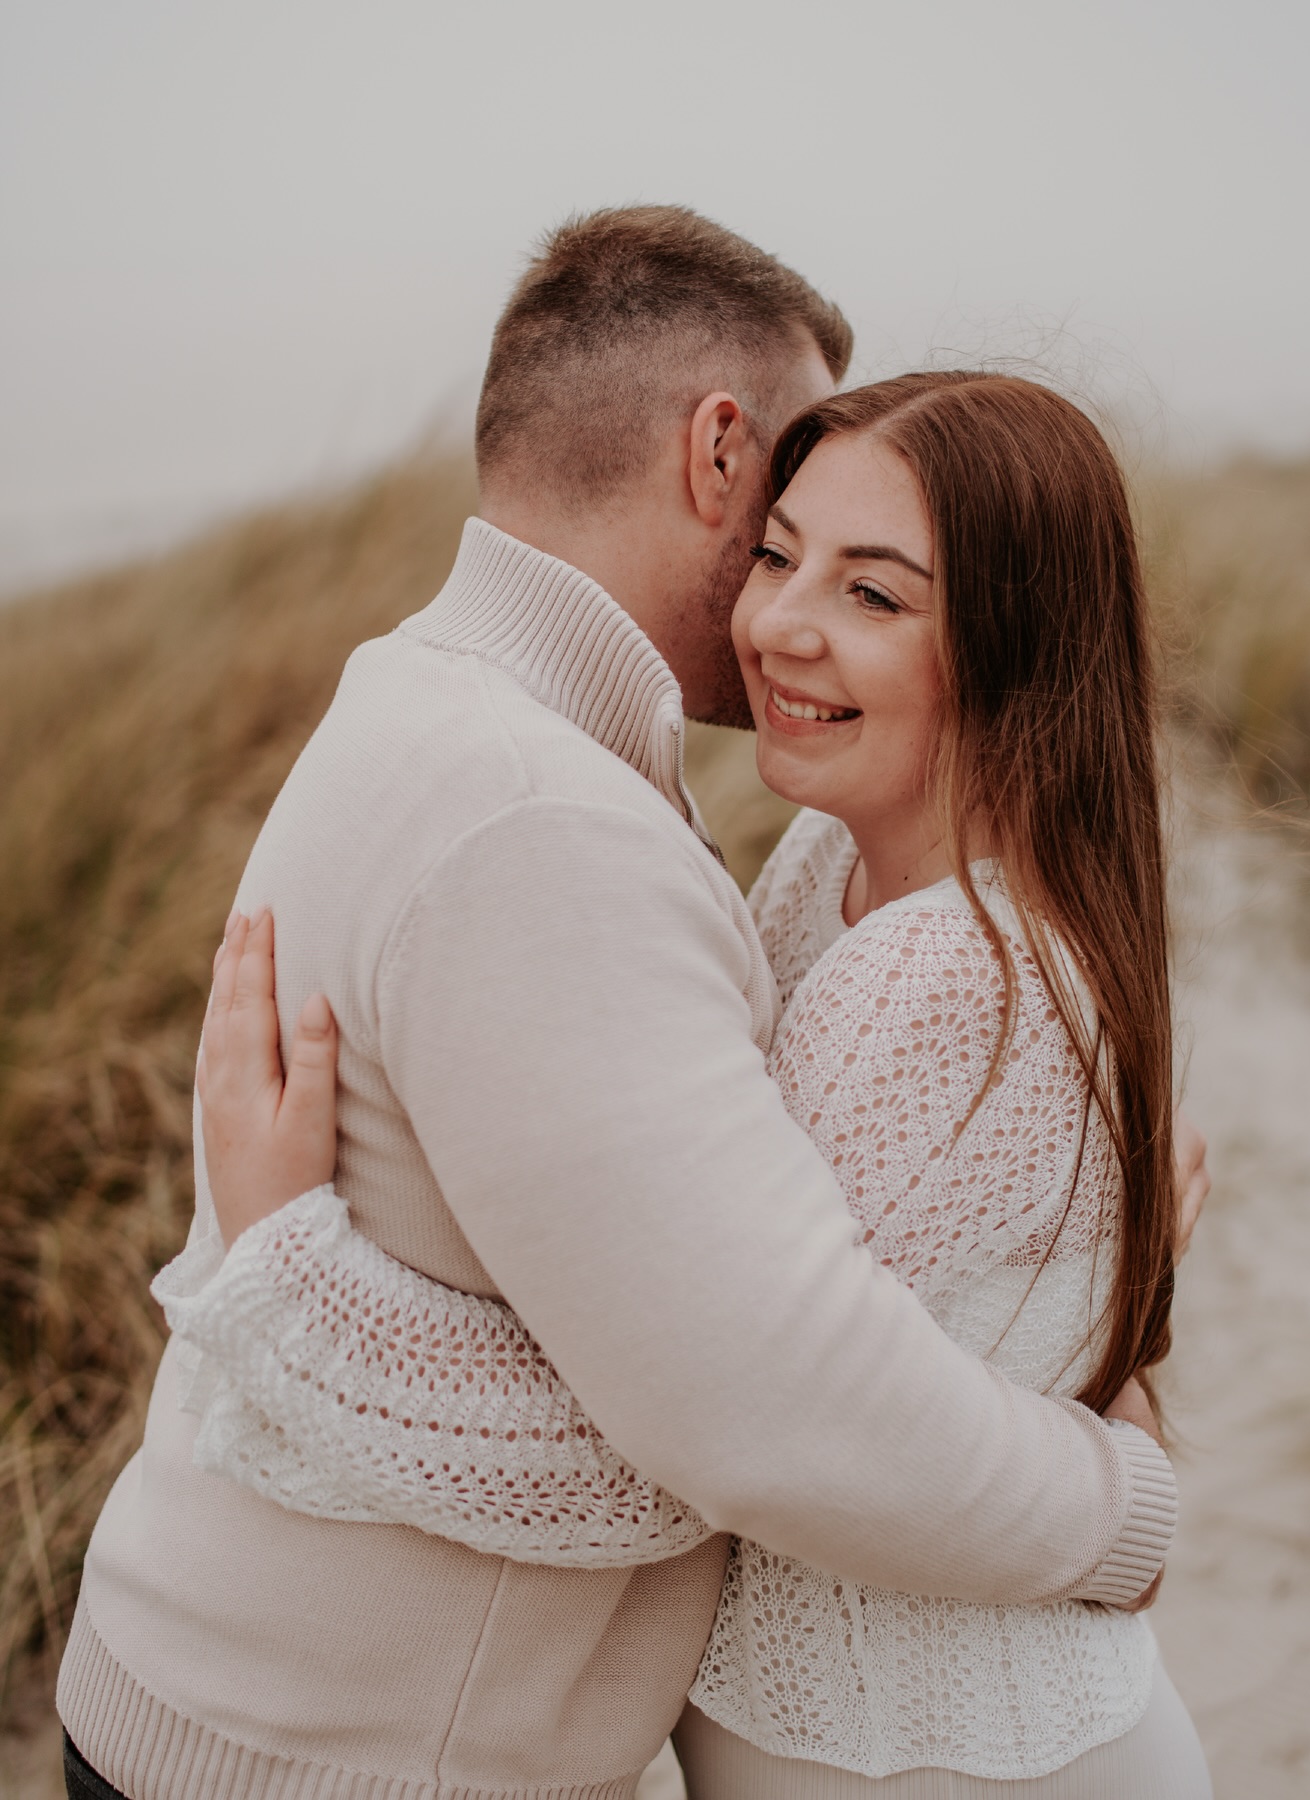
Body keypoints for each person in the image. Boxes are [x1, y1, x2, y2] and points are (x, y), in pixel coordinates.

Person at [57, 209, 1193, 1800]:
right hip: (349, 1760)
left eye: (875, 585)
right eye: (788, 523)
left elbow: (752, 1385)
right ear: (722, 453)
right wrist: (277, 1285)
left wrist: (1080, 1258)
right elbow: (739, 1432)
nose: (786, 604)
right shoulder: (547, 820)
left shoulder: (437, 697)